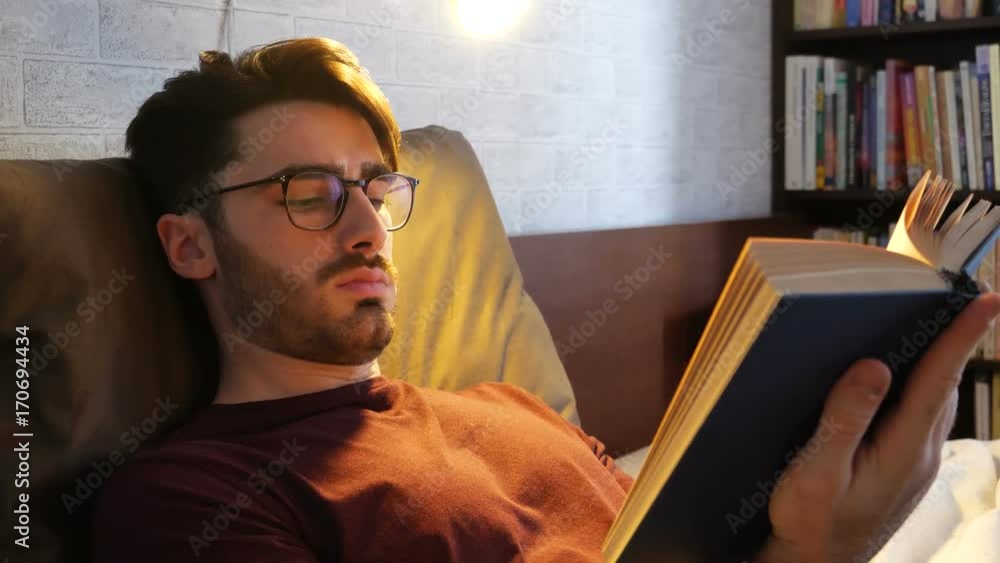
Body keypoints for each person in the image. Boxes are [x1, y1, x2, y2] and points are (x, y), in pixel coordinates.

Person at [92, 38, 1000, 562]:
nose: (367, 225)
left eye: (375, 186)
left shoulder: (507, 405)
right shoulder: (186, 497)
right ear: (190, 242)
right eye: (309, 192)